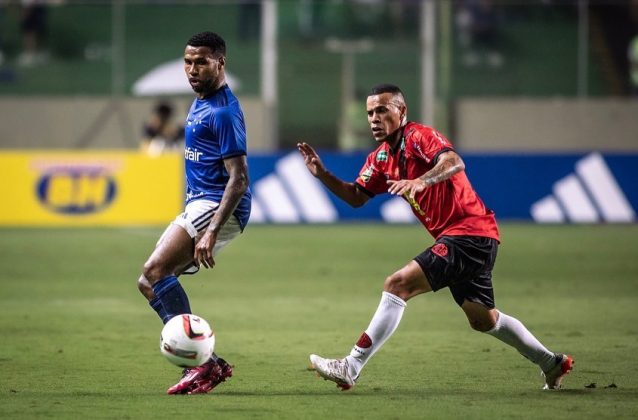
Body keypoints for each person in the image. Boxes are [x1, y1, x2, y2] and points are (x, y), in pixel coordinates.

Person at [297, 83, 573, 391]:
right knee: (483, 319)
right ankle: (552, 363)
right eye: (369, 113)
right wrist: (323, 174)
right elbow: (356, 196)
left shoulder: (419, 137)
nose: (373, 119)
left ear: (401, 111)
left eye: (381, 110)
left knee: (397, 284)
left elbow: (454, 162)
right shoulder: (380, 158)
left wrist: (421, 180)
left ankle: (351, 365)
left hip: (470, 232)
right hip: (467, 240)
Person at [136, 31, 251, 395]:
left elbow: (240, 178)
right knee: (148, 282)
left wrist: (213, 230)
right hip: (200, 203)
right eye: (188, 61)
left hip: (217, 204)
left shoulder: (223, 111)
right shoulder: (201, 101)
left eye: (201, 61)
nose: (193, 68)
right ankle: (209, 364)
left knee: (155, 271)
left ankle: (201, 366)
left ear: (221, 62)